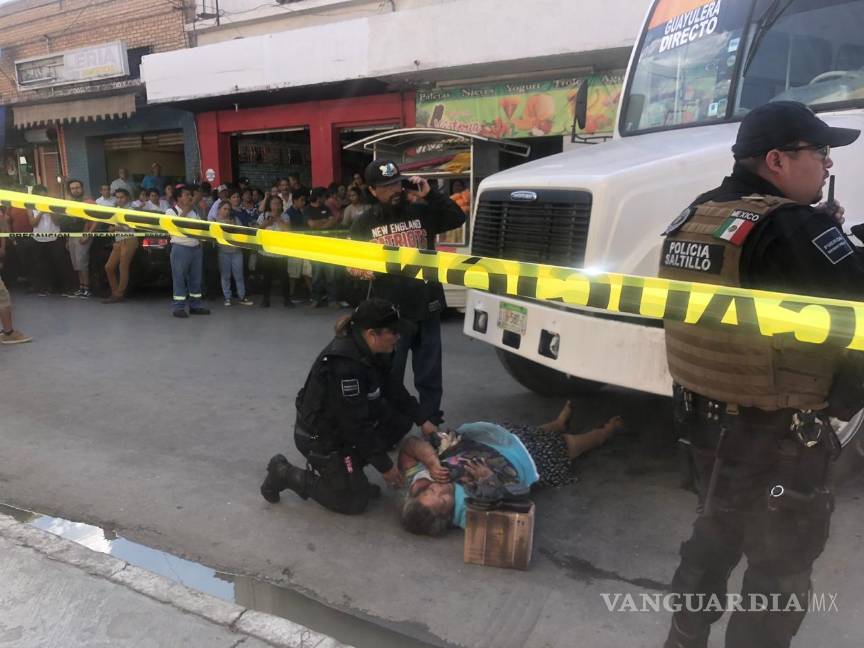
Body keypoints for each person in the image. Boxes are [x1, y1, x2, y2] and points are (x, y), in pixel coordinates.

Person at [658, 101, 864, 648]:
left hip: (705, 427)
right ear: (776, 160)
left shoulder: (699, 213)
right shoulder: (793, 225)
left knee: (712, 539)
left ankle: (683, 639)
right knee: (778, 574)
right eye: (819, 151)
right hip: (778, 438)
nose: (827, 164)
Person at [259, 299, 439, 514]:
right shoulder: (345, 366)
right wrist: (386, 467)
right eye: (393, 332)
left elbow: (393, 387)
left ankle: (350, 474)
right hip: (316, 436)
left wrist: (423, 419)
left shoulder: (373, 351)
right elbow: (356, 426)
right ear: (372, 334)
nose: (398, 337)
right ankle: (283, 472)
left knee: (400, 420)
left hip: (341, 427)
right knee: (353, 502)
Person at [350, 159, 465, 427]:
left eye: (396, 183)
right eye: (386, 186)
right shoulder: (364, 223)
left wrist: (431, 194)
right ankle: (392, 427)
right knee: (391, 374)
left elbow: (457, 217)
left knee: (429, 374)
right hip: (390, 316)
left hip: (427, 306)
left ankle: (432, 423)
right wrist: (360, 272)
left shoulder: (420, 211)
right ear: (372, 190)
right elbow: (352, 265)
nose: (394, 190)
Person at [399, 402, 623, 535]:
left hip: (500, 440)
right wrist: (488, 480)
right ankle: (603, 434)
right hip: (530, 460)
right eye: (443, 501)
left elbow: (409, 446)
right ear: (447, 517)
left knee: (529, 433)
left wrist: (431, 460)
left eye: (432, 491)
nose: (441, 489)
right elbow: (514, 511)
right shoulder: (468, 515)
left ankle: (557, 425)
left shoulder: (422, 479)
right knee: (569, 445)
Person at [166, 185, 210, 318]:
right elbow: (175, 227)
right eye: (186, 195)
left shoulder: (195, 212)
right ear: (178, 198)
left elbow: (200, 228)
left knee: (196, 279)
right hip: (180, 249)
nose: (190, 197)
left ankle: (195, 306)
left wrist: (200, 243)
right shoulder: (170, 211)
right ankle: (178, 308)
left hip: (196, 249)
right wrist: (185, 211)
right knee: (179, 279)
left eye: (190, 194)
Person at [28, 185, 70, 296]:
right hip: (39, 239)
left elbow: (57, 222)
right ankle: (45, 287)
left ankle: (63, 287)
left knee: (59, 262)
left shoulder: (52, 205)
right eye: (40, 195)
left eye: (44, 195)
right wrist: (41, 212)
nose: (43, 197)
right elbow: (33, 223)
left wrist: (50, 211)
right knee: (42, 264)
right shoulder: (31, 206)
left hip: (54, 237)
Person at [305, 187, 343, 308]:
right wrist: (325, 222)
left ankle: (332, 300)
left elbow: (333, 221)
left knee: (331, 274)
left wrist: (320, 225)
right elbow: (311, 224)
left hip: (328, 245)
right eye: (324, 196)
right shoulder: (308, 209)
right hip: (314, 245)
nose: (325, 199)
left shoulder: (326, 208)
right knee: (316, 274)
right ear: (318, 197)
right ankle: (315, 299)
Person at [210, 200, 253, 307]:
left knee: (239, 275)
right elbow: (213, 235)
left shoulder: (235, 219)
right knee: (225, 276)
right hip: (223, 251)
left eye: (228, 209)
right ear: (219, 209)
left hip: (236, 251)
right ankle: (227, 298)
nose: (227, 211)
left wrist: (233, 228)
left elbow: (242, 232)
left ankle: (242, 296)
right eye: (224, 209)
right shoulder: (214, 221)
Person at [59, 179, 96, 298]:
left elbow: (97, 220)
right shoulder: (70, 203)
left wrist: (87, 235)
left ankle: (87, 289)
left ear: (82, 188)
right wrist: (67, 240)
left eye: (77, 187)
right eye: (73, 188)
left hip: (83, 234)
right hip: (72, 235)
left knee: (82, 262)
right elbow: (68, 221)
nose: (75, 190)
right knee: (76, 263)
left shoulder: (89, 202)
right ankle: (81, 288)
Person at [102, 188, 139, 304]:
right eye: (117, 197)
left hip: (130, 240)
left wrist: (114, 228)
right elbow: (112, 226)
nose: (119, 199)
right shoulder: (116, 210)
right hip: (118, 241)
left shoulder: (131, 210)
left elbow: (127, 227)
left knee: (123, 267)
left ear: (127, 198)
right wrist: (114, 228)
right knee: (109, 267)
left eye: (121, 197)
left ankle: (118, 294)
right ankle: (115, 292)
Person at [257, 195, 293, 308]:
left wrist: (278, 220)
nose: (276, 206)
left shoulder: (285, 216)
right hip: (266, 252)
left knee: (284, 277)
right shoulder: (263, 215)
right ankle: (265, 299)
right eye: (274, 203)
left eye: (278, 203)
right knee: (266, 277)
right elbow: (257, 230)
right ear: (269, 205)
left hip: (281, 253)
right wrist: (266, 223)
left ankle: (287, 300)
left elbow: (289, 231)